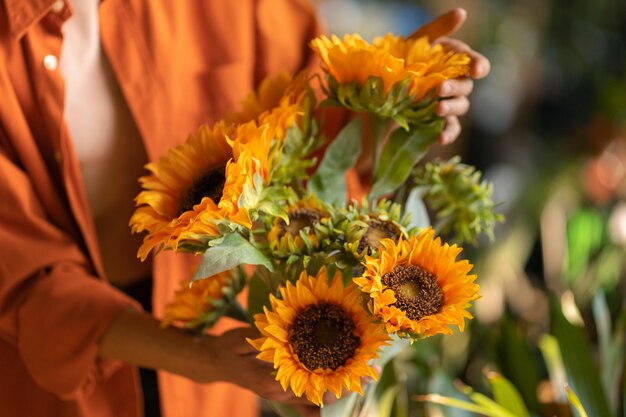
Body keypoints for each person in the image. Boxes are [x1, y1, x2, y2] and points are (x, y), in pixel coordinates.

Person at [0, 1, 489, 417]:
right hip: (58, 374)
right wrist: (204, 358)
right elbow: (23, 278)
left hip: (224, 366)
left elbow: (310, 118)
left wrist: (398, 96)